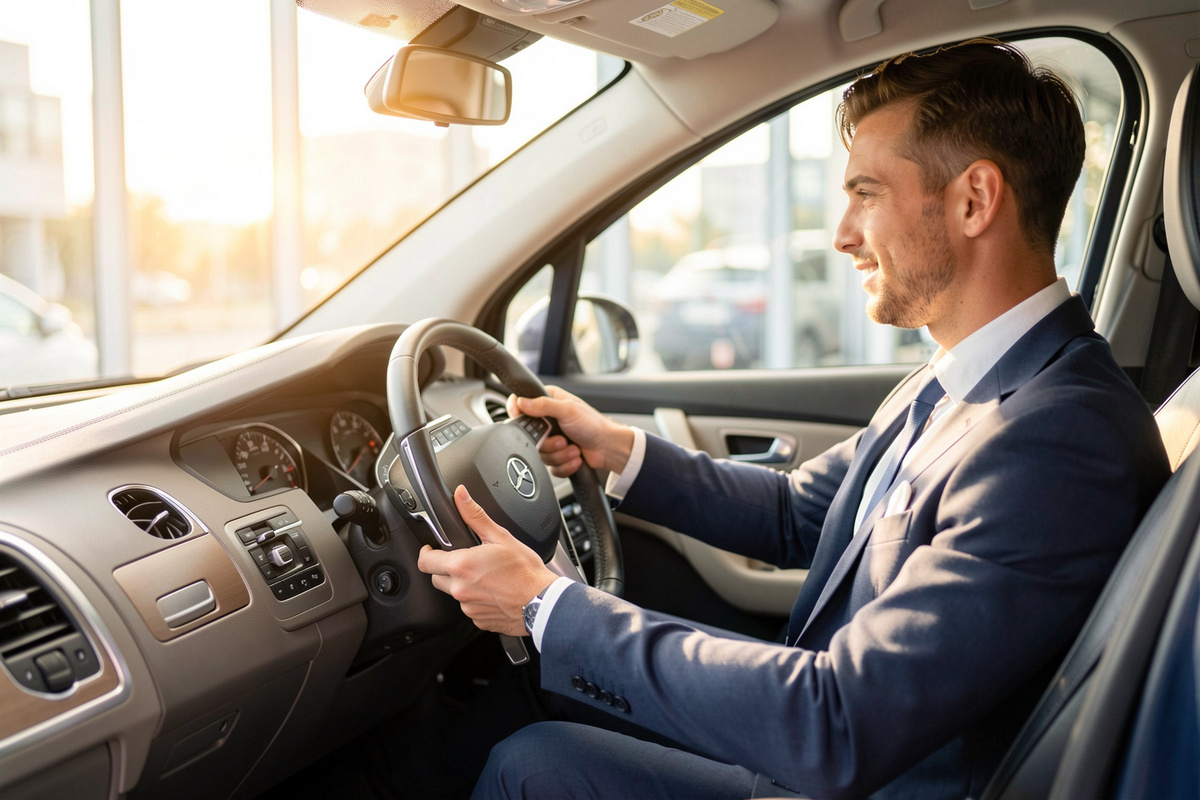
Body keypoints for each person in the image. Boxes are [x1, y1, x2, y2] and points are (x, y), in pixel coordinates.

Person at [417, 39, 1171, 799]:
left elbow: (838, 722)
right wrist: (614, 449)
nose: (842, 233)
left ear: (975, 200)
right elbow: (799, 513)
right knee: (540, 690)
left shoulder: (1057, 441)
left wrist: (547, 605)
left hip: (854, 770)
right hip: (836, 741)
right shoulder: (964, 380)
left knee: (532, 765)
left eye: (866, 193)